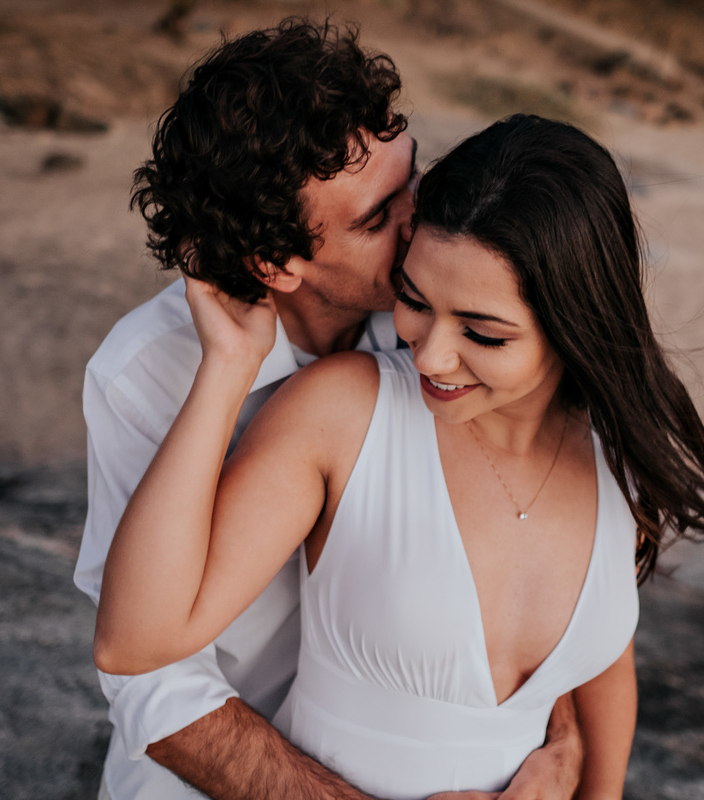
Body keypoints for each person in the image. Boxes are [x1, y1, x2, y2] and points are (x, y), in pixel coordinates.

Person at [94, 115, 704, 798]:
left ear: (575, 325)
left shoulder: (618, 453)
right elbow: (138, 654)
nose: (428, 354)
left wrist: (575, 756)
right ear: (281, 264)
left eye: (483, 333)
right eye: (413, 299)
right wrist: (231, 363)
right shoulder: (331, 407)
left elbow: (602, 658)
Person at [74, 21, 582, 800]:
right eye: (378, 219)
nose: (423, 220)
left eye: (415, 178)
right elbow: (152, 677)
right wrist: (230, 367)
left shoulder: (438, 324)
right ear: (275, 264)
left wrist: (564, 735)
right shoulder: (142, 375)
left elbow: (537, 510)